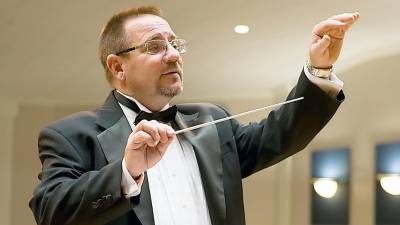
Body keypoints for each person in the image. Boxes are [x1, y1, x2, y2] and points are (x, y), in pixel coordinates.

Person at [29, 5, 359, 225]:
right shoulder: (71, 134)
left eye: (174, 44)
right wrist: (127, 171)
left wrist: (319, 68)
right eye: (154, 46)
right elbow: (50, 212)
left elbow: (282, 134)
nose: (173, 55)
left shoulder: (210, 122)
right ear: (117, 66)